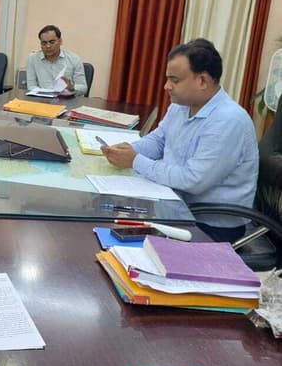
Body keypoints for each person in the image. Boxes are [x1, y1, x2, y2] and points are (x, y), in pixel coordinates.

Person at [101, 39, 259, 242]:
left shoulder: (228, 120)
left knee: (118, 237)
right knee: (108, 216)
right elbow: (158, 141)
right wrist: (125, 151)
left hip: (208, 224)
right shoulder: (180, 105)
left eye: (174, 80)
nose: (166, 86)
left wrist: (135, 160)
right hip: (174, 204)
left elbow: (193, 180)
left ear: (202, 81)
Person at [26, 25, 87, 95]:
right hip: (41, 98)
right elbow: (31, 86)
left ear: (60, 41)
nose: (48, 46)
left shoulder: (74, 59)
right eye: (44, 43)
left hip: (66, 99)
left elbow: (83, 88)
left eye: (52, 42)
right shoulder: (33, 58)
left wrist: (71, 87)